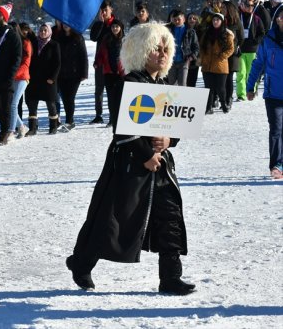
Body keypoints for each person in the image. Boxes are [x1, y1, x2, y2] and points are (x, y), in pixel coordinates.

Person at [66, 22, 196, 296]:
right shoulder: (129, 83)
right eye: (154, 49)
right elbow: (122, 129)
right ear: (140, 50)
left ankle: (171, 276)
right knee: (111, 220)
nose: (161, 54)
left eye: (164, 49)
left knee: (169, 215)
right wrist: (146, 154)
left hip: (160, 165)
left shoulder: (164, 84)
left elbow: (175, 125)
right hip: (128, 164)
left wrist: (169, 141)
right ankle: (81, 262)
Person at [247, 8, 283, 179]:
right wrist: (250, 86)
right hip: (273, 93)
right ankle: (276, 164)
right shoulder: (268, 40)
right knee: (276, 129)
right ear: (277, 20)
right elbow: (258, 63)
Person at [0, 3, 22, 145]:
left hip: (6, 78)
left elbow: (17, 58)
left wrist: (10, 76)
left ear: (5, 16)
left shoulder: (12, 35)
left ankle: (5, 133)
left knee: (4, 108)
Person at [24, 23, 62, 134]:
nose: (43, 32)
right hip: (34, 79)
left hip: (48, 80)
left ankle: (53, 126)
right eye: (41, 30)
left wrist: (53, 78)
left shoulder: (54, 45)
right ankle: (32, 128)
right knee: (32, 104)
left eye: (45, 30)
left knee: (51, 103)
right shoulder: (34, 43)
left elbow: (57, 63)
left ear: (49, 32)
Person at [53, 21, 88, 130]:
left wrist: (84, 73)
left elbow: (83, 56)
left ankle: (70, 121)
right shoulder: (58, 37)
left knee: (70, 97)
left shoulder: (78, 37)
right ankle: (64, 120)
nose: (65, 25)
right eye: (64, 24)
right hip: (61, 73)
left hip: (75, 74)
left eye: (68, 23)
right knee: (64, 98)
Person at [199, 12, 235, 114]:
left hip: (220, 65)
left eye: (217, 20)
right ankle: (208, 107)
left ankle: (223, 104)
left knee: (220, 88)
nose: (215, 22)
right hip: (207, 65)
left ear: (222, 21)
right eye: (214, 20)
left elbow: (231, 48)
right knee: (208, 88)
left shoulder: (227, 34)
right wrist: (203, 57)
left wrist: (222, 56)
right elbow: (201, 46)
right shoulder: (206, 33)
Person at [89, 0, 117, 124]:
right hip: (99, 61)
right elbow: (93, 38)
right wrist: (100, 23)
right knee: (99, 90)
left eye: (106, 10)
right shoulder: (98, 24)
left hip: (112, 63)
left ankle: (113, 116)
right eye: (102, 11)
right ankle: (98, 115)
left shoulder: (116, 24)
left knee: (112, 90)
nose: (104, 12)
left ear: (111, 10)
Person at [237, 0, 265, 101]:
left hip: (253, 50)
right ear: (243, 6)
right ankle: (241, 94)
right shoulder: (239, 17)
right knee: (241, 74)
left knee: (251, 74)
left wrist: (256, 41)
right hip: (241, 50)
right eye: (247, 5)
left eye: (251, 6)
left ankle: (251, 92)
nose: (249, 7)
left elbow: (262, 33)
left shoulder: (257, 19)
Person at [9, 23, 32, 138]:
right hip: (12, 77)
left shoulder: (26, 43)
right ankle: (22, 126)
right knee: (9, 104)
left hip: (22, 77)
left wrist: (13, 74)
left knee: (13, 104)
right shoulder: (10, 43)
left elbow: (25, 63)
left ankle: (11, 131)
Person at [165, 10, 199, 86]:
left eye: (178, 19)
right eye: (175, 20)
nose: (177, 21)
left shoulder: (190, 31)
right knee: (171, 84)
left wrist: (191, 57)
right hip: (171, 62)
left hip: (184, 61)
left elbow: (196, 47)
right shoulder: (168, 31)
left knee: (182, 84)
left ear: (184, 19)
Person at [185, 12, 202, 87]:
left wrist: (197, 57)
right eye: (190, 18)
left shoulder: (201, 31)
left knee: (192, 81)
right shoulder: (184, 30)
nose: (192, 20)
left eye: (194, 18)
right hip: (184, 59)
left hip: (195, 59)